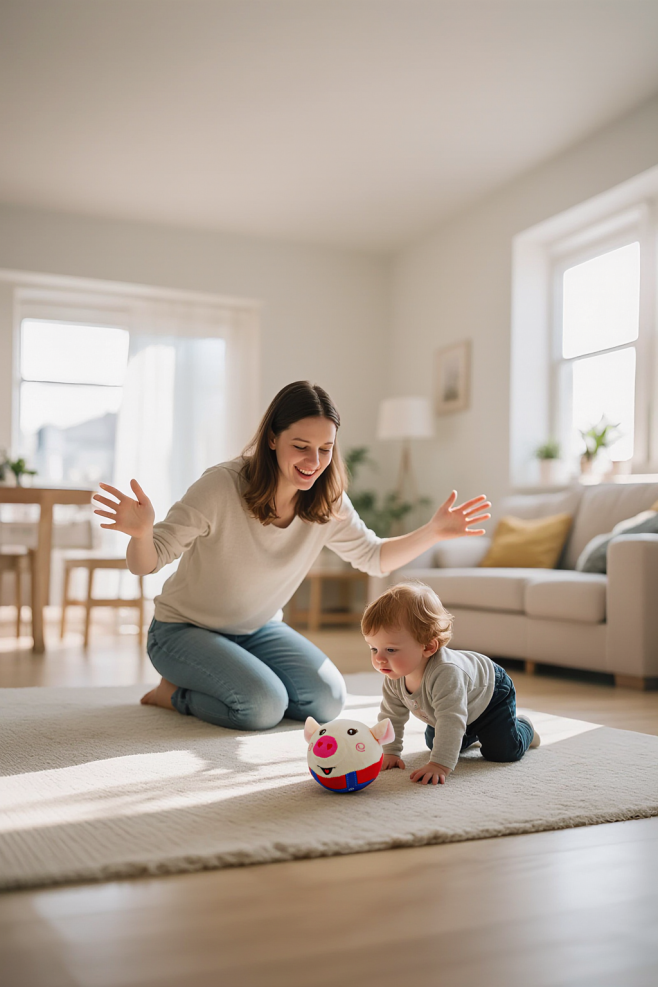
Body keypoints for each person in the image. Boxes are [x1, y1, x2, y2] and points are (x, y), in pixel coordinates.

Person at [92, 380, 491, 732]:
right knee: (262, 706)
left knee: (329, 700)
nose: (313, 462)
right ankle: (175, 694)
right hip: (182, 631)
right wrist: (142, 533)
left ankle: (236, 676)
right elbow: (146, 561)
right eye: (300, 446)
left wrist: (434, 531)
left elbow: (374, 556)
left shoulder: (327, 499)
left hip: (258, 630)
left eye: (325, 449)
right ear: (272, 438)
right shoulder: (221, 486)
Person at [362, 582, 540, 785]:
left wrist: (440, 764)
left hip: (490, 694)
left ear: (428, 646)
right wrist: (391, 751)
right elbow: (391, 715)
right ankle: (473, 733)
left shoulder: (446, 673)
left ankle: (523, 727)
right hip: (456, 709)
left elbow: (450, 720)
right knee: (435, 742)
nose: (379, 659)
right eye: (373, 649)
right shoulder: (394, 675)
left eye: (391, 650)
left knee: (502, 752)